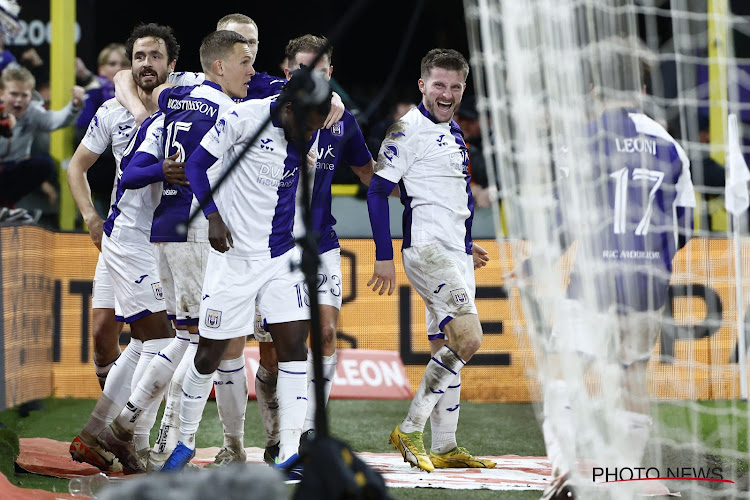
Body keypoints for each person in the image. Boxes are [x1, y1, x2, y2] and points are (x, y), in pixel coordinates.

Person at [513, 40, 696, 500]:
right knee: (633, 376)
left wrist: (537, 261)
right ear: (643, 84)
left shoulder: (586, 138)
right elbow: (686, 225)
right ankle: (626, 480)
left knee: (564, 372)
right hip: (647, 285)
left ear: (593, 86)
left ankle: (562, 473)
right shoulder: (669, 142)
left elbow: (569, 217)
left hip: (594, 281)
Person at [160, 71, 331, 482]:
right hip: (233, 257)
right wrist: (213, 215)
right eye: (306, 126)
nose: (310, 135)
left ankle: (289, 454)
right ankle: (184, 443)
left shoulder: (306, 124)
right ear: (288, 109)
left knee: (294, 348)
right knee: (209, 354)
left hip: (280, 256)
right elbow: (197, 165)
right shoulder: (243, 119)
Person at [114, 29, 256, 472]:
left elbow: (130, 171)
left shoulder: (172, 107)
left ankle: (130, 426)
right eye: (244, 62)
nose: (251, 72)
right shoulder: (230, 111)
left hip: (165, 230)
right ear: (219, 65)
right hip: (199, 232)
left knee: (184, 337)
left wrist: (162, 169)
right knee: (198, 344)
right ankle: (147, 434)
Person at [366, 48, 494, 473]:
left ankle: (445, 445)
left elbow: (449, 198)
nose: (448, 93)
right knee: (469, 338)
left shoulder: (455, 131)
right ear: (422, 85)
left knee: (447, 344)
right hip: (427, 250)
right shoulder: (407, 130)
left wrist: (466, 241)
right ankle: (410, 428)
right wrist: (384, 255)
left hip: (453, 250)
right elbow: (377, 190)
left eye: (455, 86)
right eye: (439, 84)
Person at [252, 34, 374, 465]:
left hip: (321, 243)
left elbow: (368, 174)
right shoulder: (267, 108)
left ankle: (307, 435)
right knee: (273, 355)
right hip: (270, 247)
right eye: (302, 70)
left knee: (323, 335)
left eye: (319, 71)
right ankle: (275, 433)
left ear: (331, 74)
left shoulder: (343, 121)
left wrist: (413, 184)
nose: (311, 78)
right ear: (287, 72)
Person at [76, 23, 188, 476]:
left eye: (155, 56)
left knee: (148, 339)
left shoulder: (184, 97)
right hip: (129, 236)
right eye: (139, 56)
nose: (146, 64)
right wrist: (89, 217)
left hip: (161, 240)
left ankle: (107, 434)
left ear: (172, 65)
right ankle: (113, 433)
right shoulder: (117, 108)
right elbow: (79, 166)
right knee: (162, 338)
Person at [0, 66, 84, 209]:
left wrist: (74, 106)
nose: (18, 100)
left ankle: (6, 204)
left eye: (24, 95)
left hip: (13, 166)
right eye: (13, 94)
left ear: (31, 96)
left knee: (44, 164)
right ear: (1, 93)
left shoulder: (33, 111)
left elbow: (54, 121)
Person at [73, 44, 131, 220]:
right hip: (101, 166)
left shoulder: (143, 94)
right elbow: (80, 135)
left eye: (123, 63)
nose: (118, 68)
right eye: (112, 63)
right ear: (101, 68)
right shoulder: (94, 91)